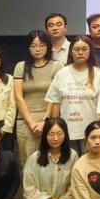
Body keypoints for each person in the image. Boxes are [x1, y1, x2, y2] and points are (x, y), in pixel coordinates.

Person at [16, 118, 80, 199]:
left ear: (65, 134)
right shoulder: (34, 158)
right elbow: (29, 189)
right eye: (51, 134)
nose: (56, 138)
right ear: (45, 136)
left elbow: (74, 185)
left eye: (60, 134)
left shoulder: (73, 156)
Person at [44, 36, 100, 155]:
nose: (80, 52)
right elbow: (55, 102)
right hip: (67, 132)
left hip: (92, 133)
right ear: (70, 52)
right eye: (77, 49)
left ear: (90, 51)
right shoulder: (62, 73)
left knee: (91, 164)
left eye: (84, 49)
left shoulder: (99, 73)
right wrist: (57, 129)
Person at [14, 30, 62, 168]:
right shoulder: (21, 66)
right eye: (33, 46)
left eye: (41, 45)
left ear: (48, 46)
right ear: (28, 48)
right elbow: (18, 97)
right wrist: (31, 123)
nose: (37, 49)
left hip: (49, 118)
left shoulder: (57, 66)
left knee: (51, 160)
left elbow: (55, 96)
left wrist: (45, 121)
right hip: (25, 120)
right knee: (26, 162)